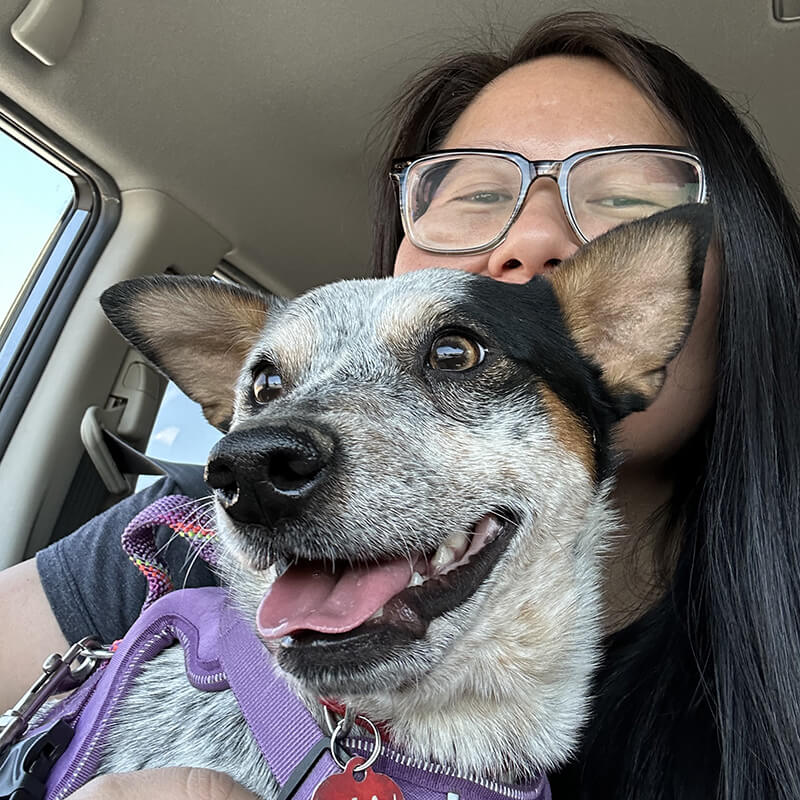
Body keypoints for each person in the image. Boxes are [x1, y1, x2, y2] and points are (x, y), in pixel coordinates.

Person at [1, 10, 798, 800]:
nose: (531, 238)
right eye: (479, 194)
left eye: (625, 198)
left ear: (643, 308)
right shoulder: (174, 537)